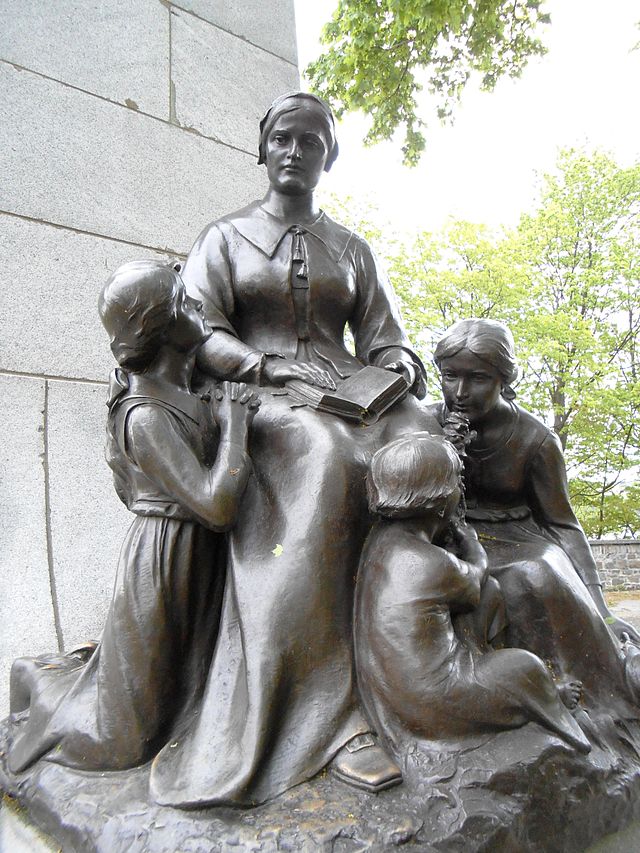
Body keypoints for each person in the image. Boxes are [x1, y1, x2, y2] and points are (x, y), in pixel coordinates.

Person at [150, 92, 440, 808]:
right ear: (263, 146)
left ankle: (425, 665)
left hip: (350, 391)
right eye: (283, 137)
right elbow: (197, 330)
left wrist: (399, 365)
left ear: (327, 157)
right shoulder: (224, 238)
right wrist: (265, 365)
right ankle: (333, 717)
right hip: (262, 399)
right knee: (331, 458)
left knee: (424, 448)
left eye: (311, 142)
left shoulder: (352, 248)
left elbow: (384, 334)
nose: (295, 150)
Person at [8, 259, 259, 775]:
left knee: (183, 703)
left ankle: (91, 673)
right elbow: (216, 506)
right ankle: (40, 678)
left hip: (202, 565)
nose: (199, 308)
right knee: (122, 742)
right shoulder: (145, 415)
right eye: (188, 304)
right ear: (162, 327)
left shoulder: (188, 393)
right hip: (164, 563)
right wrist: (235, 429)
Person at [428, 318, 640, 712]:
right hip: (444, 531)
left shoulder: (537, 439)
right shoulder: (426, 422)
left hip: (518, 535)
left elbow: (563, 525)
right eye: (450, 376)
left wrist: (601, 607)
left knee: (536, 573)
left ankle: (567, 691)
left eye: (477, 379)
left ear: (503, 380)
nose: (459, 392)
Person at [355, 433, 591, 754]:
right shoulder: (429, 564)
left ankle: (513, 686)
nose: (461, 491)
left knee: (493, 593)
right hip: (436, 702)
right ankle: (562, 722)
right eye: (456, 484)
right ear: (439, 503)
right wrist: (474, 546)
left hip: (403, 692)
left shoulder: (384, 543)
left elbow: (480, 593)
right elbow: (474, 581)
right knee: (525, 667)